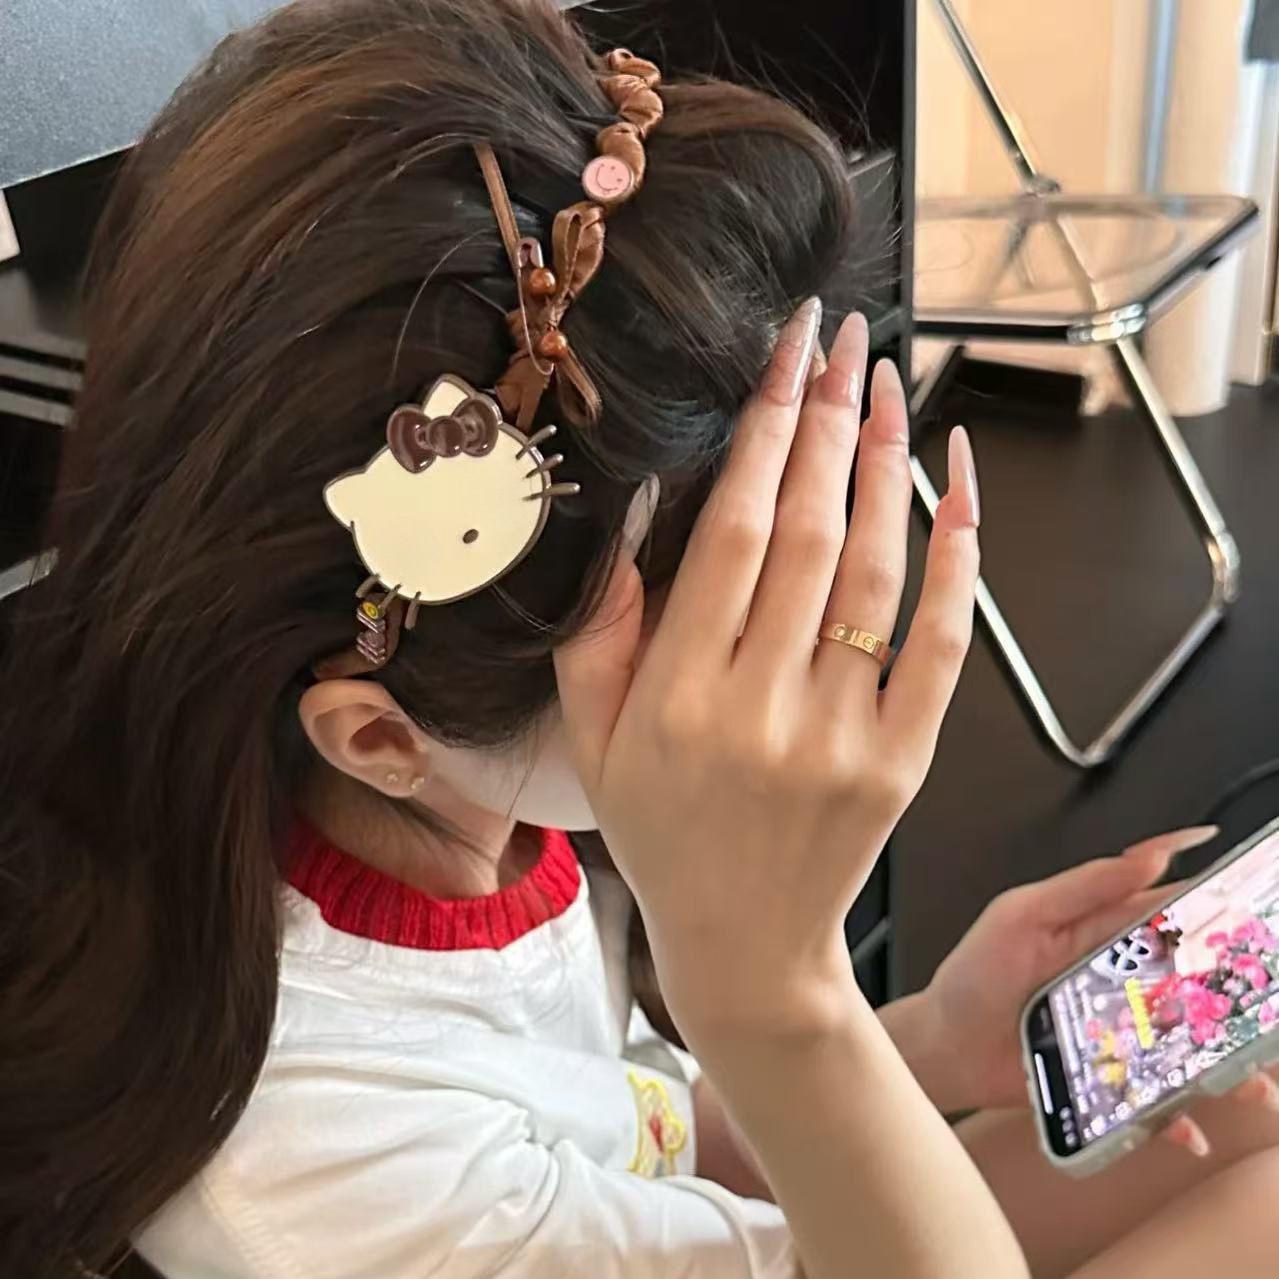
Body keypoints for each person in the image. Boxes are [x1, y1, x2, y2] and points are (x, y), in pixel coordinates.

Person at [1, 2, 1276, 1276]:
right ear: (377, 737)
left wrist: (923, 1040)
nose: (795, 691)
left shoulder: (480, 808)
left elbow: (645, 1148)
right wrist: (784, 1003)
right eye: (718, 649)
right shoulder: (329, 1172)